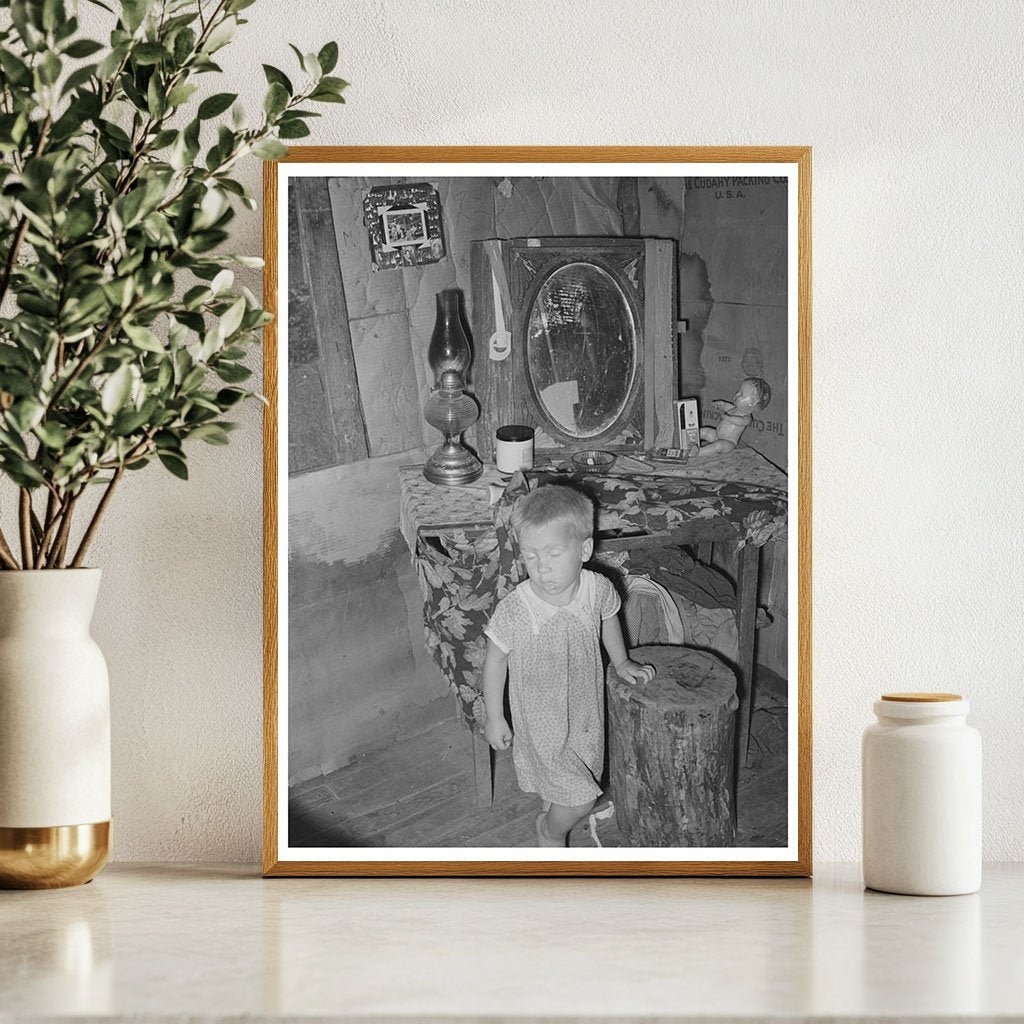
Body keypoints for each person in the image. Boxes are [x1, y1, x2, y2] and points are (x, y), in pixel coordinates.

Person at [481, 484, 655, 848]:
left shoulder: (597, 588)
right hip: (541, 720)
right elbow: (495, 659)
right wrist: (495, 716)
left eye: (554, 554)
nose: (541, 569)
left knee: (572, 777)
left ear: (585, 550)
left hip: (585, 712)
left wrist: (621, 660)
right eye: (530, 557)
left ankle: (552, 831)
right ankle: (550, 831)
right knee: (581, 798)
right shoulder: (518, 608)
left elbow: (609, 616)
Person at [694, 376, 771, 458]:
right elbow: (726, 406)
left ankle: (698, 452)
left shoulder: (747, 417)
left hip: (728, 442)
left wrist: (728, 418)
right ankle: (688, 441)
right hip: (716, 435)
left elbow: (740, 421)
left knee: (718, 446)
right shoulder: (733, 408)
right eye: (738, 391)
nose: (736, 394)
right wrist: (721, 404)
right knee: (704, 431)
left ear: (752, 403)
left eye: (741, 394)